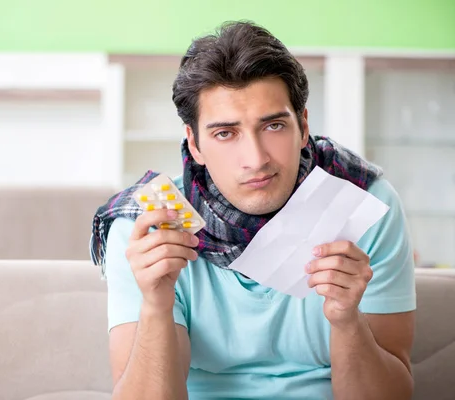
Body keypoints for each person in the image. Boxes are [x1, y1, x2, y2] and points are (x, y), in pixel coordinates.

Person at [90, 20, 415, 400]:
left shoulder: (366, 205)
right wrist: (156, 304)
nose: (256, 159)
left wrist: (346, 321)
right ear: (194, 143)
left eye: (274, 126)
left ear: (303, 125)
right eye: (225, 133)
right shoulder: (146, 230)